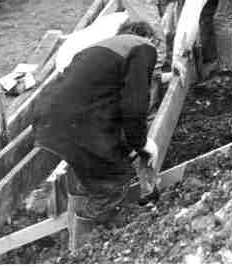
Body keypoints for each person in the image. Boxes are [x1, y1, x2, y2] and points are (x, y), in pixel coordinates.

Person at [32, 21, 159, 221]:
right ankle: (89, 230)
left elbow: (109, 104)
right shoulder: (142, 47)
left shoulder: (101, 50)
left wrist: (127, 145)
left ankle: (89, 201)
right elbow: (135, 104)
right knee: (116, 180)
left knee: (102, 167)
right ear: (149, 38)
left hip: (48, 118)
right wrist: (142, 143)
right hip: (75, 123)